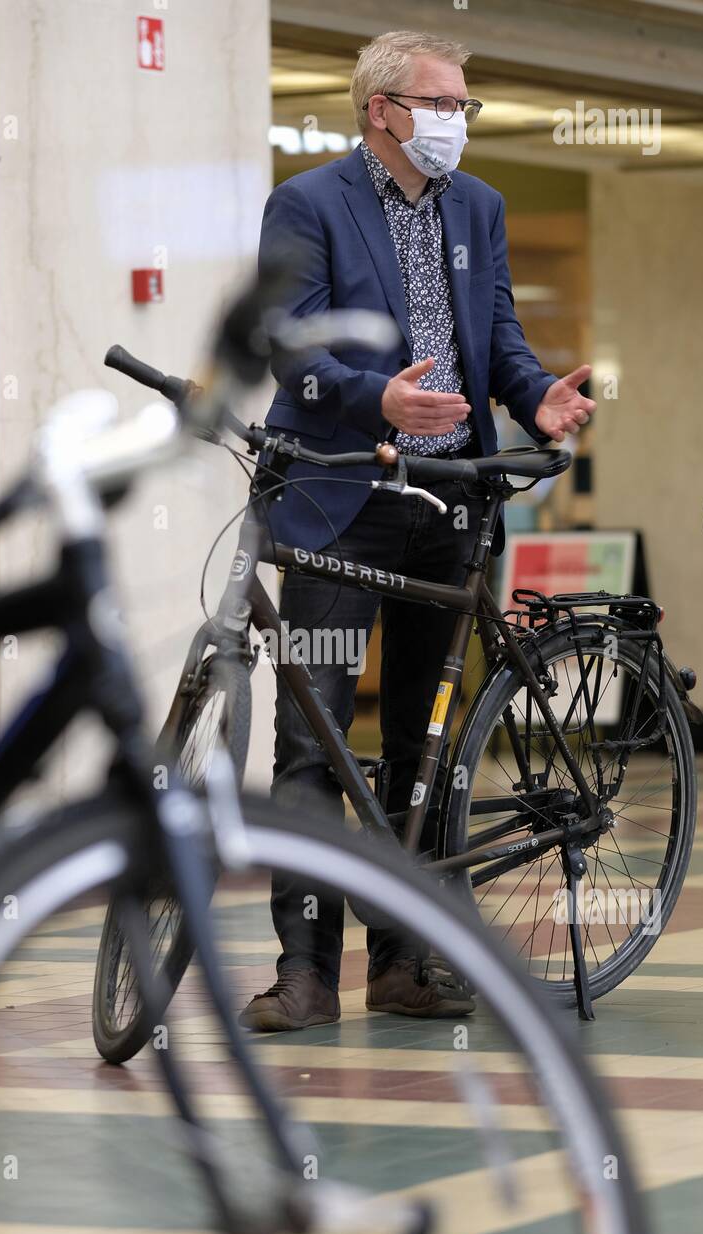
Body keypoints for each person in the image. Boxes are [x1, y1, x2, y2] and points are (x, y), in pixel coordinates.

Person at [240, 29, 595, 1032]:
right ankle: (303, 971)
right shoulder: (308, 206)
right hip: (341, 502)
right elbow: (289, 352)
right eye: (443, 103)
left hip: (452, 503)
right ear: (382, 110)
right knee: (311, 740)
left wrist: (540, 402)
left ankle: (402, 963)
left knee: (420, 745)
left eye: (465, 106)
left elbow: (501, 346)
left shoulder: (480, 206)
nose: (458, 121)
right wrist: (376, 402)